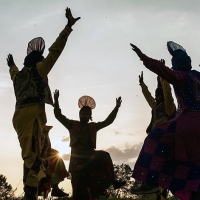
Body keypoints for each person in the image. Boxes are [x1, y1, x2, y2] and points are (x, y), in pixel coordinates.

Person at [7, 7, 80, 200]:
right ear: (38, 60)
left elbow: (13, 72)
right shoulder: (39, 69)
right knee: (33, 160)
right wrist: (68, 27)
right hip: (31, 119)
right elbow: (55, 51)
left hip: (24, 118)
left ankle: (52, 185)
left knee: (49, 153)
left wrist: (11, 65)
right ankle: (30, 195)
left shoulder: (19, 75)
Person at [130, 41, 200, 200]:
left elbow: (165, 75)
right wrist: (143, 85)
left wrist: (144, 58)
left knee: (152, 140)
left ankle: (151, 181)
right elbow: (153, 92)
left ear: (176, 65)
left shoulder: (181, 77)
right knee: (193, 162)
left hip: (186, 123)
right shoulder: (197, 75)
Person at [53, 90, 126, 200]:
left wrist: (116, 108)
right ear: (79, 115)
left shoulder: (93, 127)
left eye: (87, 114)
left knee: (105, 156)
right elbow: (58, 116)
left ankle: (113, 181)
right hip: (76, 162)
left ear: (90, 116)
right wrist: (56, 101)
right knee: (77, 191)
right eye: (82, 114)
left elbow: (108, 121)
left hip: (91, 158)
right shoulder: (72, 124)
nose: (84, 116)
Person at [131, 71, 176, 199]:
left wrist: (163, 77)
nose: (156, 97)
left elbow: (168, 93)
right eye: (156, 95)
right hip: (156, 141)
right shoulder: (155, 106)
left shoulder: (168, 107)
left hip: (166, 138)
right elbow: (149, 98)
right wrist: (142, 85)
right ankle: (154, 187)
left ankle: (154, 185)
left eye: (158, 94)